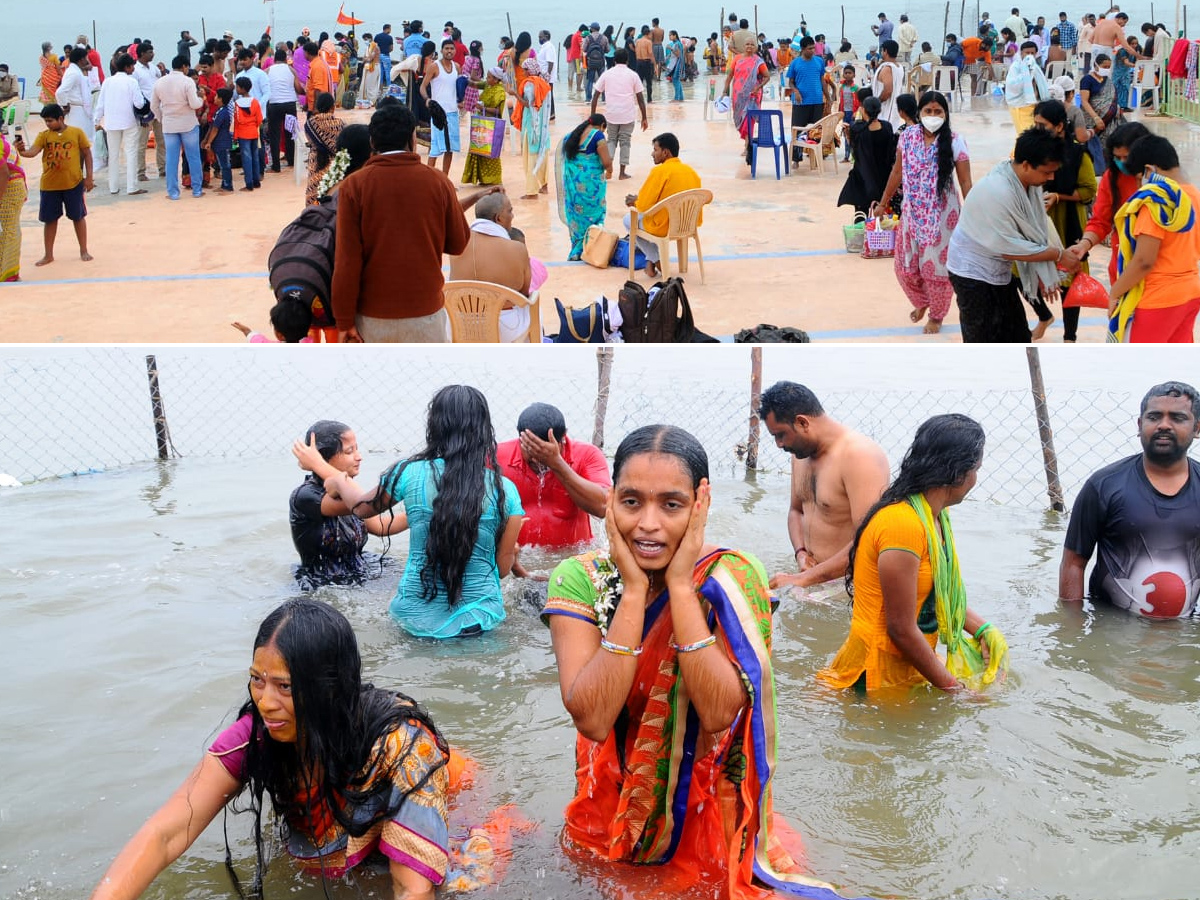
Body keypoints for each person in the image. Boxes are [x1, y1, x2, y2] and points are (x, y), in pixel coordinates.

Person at [543, 424, 849, 899]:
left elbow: (719, 712)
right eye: (630, 502)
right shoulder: (579, 577)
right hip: (607, 801)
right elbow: (594, 718)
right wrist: (634, 592)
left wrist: (682, 588)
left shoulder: (732, 577)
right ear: (609, 502)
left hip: (706, 803)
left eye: (671, 504)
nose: (648, 524)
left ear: (700, 504)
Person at [88, 598, 495, 900]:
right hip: (350, 824)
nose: (265, 701)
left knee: (463, 884)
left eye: (285, 686)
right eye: (257, 680)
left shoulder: (400, 747)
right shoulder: (258, 735)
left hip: (460, 803)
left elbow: (412, 890)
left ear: (329, 688)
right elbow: (166, 832)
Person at [304, 385, 524, 638]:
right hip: (479, 620)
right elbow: (503, 569)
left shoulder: (410, 473)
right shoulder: (505, 490)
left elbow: (362, 509)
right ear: (484, 431)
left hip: (413, 618)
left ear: (436, 426)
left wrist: (339, 481)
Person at [818, 414, 1009, 694]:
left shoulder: (936, 518)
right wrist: (955, 691)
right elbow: (901, 629)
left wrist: (983, 630)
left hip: (909, 669)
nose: (975, 479)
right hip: (871, 676)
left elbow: (937, 593)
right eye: (976, 469)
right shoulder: (902, 525)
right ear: (958, 473)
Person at [333, 104, 491, 343]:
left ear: (372, 143)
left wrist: (344, 321)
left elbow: (346, 261)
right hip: (426, 313)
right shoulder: (438, 182)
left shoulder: (354, 187)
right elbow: (458, 244)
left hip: (373, 317)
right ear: (412, 139)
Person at [1060, 382, 1200, 619]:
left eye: (1177, 418)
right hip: (1110, 627)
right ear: (1139, 424)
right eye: (1154, 417)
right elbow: (1073, 563)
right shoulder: (1103, 485)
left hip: (1183, 629)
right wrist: (1073, 634)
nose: (1164, 425)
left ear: (1197, 428)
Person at [946, 127, 1078, 343]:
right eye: (1047, 172)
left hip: (998, 268)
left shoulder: (1028, 182)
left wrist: (1044, 266)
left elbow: (1035, 228)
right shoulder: (998, 190)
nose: (1051, 177)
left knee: (1017, 335)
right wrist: (1057, 255)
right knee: (982, 339)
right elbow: (1007, 247)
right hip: (971, 271)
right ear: (1026, 164)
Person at [757, 382, 890, 596]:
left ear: (802, 422)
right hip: (810, 575)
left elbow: (869, 540)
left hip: (846, 585)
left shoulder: (860, 457)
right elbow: (796, 511)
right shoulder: (799, 455)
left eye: (780, 435)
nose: (778, 445)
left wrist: (802, 580)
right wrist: (801, 555)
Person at [877, 90, 972, 334]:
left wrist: (974, 217)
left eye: (937, 111)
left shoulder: (955, 141)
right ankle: (921, 301)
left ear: (945, 114)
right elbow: (897, 172)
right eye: (927, 111)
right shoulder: (907, 137)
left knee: (936, 270)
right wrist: (883, 202)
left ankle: (936, 316)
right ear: (919, 113)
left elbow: (965, 183)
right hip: (912, 212)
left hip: (943, 217)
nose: (932, 116)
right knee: (905, 266)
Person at [288, 421, 409, 586]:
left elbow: (380, 526)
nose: (359, 456)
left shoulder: (350, 494)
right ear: (323, 458)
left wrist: (424, 512)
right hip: (323, 581)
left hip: (359, 568)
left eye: (357, 449)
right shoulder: (306, 497)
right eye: (349, 451)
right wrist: (318, 465)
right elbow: (362, 503)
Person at [1106, 135, 1200, 343]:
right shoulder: (1194, 195)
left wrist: (1115, 293)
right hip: (1190, 293)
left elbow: (1144, 260)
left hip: (1157, 299)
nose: (1140, 185)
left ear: (1150, 170)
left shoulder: (1156, 201)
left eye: (1139, 178)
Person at [1032, 100, 1096, 344]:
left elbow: (1089, 190)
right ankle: (1044, 316)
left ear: (1059, 126)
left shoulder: (1078, 155)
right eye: (1035, 124)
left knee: (1070, 279)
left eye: (1043, 125)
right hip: (1037, 221)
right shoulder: (1032, 150)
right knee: (1021, 272)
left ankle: (1070, 336)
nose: (1038, 129)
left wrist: (1059, 196)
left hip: (1066, 220)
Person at [1064, 121, 1151, 290]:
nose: (1122, 162)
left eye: (1127, 157)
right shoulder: (1112, 178)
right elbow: (1100, 221)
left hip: (1157, 272)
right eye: (1117, 158)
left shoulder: (1163, 180)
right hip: (1123, 267)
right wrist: (1084, 244)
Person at [447, 192, 539, 343]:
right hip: (504, 330)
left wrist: (476, 195)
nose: (513, 215)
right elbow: (524, 294)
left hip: (459, 325)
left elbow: (449, 214)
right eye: (510, 210)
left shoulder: (458, 243)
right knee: (534, 302)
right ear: (498, 218)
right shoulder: (517, 249)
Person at [12, 104, 93, 267]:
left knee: (78, 217)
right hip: (49, 186)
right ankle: (48, 255)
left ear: (61, 119)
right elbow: (32, 152)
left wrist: (89, 178)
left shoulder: (76, 133)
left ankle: (83, 250)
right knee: (50, 220)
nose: (48, 124)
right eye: (46, 121)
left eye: (50, 121)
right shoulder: (44, 136)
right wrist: (21, 151)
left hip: (73, 183)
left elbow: (87, 154)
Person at [623, 132, 702, 279]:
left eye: (655, 150)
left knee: (629, 220)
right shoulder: (691, 172)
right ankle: (651, 262)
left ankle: (657, 261)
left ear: (665, 152)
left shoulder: (660, 171)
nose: (652, 154)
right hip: (687, 225)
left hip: (664, 226)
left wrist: (635, 201)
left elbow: (644, 206)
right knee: (640, 218)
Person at [556, 113, 613, 260]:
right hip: (591, 188)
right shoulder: (598, 136)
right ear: (602, 126)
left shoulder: (571, 135)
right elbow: (606, 162)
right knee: (594, 215)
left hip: (573, 189)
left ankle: (576, 251)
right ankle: (591, 250)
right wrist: (610, 171)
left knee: (577, 218)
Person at [151, 55, 204, 200]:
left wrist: (162, 118)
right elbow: (194, 104)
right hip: (188, 123)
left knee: (171, 159)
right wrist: (201, 99)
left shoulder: (160, 82)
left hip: (169, 124)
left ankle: (173, 192)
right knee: (193, 157)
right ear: (185, 67)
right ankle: (197, 190)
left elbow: (154, 106)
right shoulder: (187, 81)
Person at [590, 48, 648, 181]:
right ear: (627, 60)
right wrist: (644, 117)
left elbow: (595, 96)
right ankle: (622, 173)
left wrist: (592, 118)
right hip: (627, 114)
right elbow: (640, 98)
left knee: (611, 140)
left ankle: (608, 169)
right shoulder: (633, 75)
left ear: (614, 60)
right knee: (625, 142)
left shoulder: (607, 74)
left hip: (611, 114)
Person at [93, 53, 145, 197]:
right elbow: (139, 103)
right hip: (129, 121)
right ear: (128, 67)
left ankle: (113, 187)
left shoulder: (108, 82)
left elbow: (100, 104)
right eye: (132, 66)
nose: (133, 68)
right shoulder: (132, 82)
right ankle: (132, 186)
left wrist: (96, 120)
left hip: (111, 122)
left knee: (113, 155)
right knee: (131, 153)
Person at [837, 95, 895, 216]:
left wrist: (848, 135)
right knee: (882, 216)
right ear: (879, 110)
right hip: (883, 177)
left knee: (860, 214)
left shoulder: (857, 128)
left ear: (863, 110)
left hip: (862, 177)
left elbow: (855, 151)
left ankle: (861, 234)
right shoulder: (887, 127)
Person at [507, 58, 552, 200]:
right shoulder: (544, 82)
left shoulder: (530, 84)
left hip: (532, 126)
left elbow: (529, 104)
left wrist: (514, 94)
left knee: (530, 158)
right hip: (543, 127)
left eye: (524, 69)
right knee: (542, 154)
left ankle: (531, 192)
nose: (523, 72)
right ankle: (544, 185)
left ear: (528, 70)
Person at [723, 37, 770, 163]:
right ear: (744, 46)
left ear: (755, 47)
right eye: (747, 44)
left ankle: (747, 147)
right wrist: (724, 91)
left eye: (752, 44)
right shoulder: (737, 58)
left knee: (749, 121)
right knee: (740, 120)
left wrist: (758, 87)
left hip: (752, 96)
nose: (749, 46)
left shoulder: (758, 61)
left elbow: (767, 76)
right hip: (738, 95)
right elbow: (729, 76)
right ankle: (747, 142)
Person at [462, 67, 506, 186]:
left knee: (490, 151)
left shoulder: (499, 91)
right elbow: (474, 84)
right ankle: (481, 177)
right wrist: (462, 78)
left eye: (489, 77)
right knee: (478, 149)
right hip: (481, 122)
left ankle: (492, 179)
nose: (487, 79)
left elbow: (498, 110)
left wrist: (483, 108)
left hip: (491, 124)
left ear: (496, 79)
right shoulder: (487, 85)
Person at [133, 43, 166, 181]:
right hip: (145, 110)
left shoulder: (153, 68)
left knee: (161, 140)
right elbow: (134, 92)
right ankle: (140, 172)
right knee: (141, 143)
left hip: (158, 108)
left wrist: (163, 72)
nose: (152, 54)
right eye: (149, 52)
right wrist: (140, 114)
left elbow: (161, 82)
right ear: (141, 54)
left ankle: (163, 169)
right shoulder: (135, 70)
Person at [304, 92, 343, 206]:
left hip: (315, 163)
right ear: (333, 107)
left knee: (313, 194)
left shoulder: (310, 124)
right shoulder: (340, 124)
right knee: (332, 197)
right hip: (334, 165)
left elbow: (310, 142)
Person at [1079, 53, 1124, 151]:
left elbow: (1111, 99)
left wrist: (1117, 109)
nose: (1107, 69)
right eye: (1105, 67)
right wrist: (1096, 118)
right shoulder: (1087, 80)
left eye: (1109, 67)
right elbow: (1084, 101)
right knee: (1092, 147)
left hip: (1110, 121)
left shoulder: (1107, 80)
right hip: (1092, 120)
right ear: (1096, 65)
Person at [265, 48, 300, 171]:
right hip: (289, 104)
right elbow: (298, 88)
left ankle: (276, 165)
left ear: (274, 60)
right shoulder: (291, 70)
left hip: (274, 104)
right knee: (290, 133)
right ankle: (291, 161)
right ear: (286, 59)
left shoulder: (268, 70)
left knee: (274, 135)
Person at [1004, 40, 1049, 134]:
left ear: (1036, 54)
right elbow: (1012, 85)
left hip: (1035, 106)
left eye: (1032, 53)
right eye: (1027, 53)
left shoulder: (1035, 68)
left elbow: (1041, 85)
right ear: (1021, 53)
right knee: (1025, 135)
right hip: (1020, 106)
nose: (1030, 56)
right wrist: (1026, 73)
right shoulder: (1016, 67)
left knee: (1034, 136)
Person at [0, 131, 27, 281]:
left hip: (8, 188)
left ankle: (6, 275)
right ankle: (9, 273)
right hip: (13, 187)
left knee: (6, 233)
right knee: (10, 231)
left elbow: (3, 173)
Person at [786, 36, 826, 134]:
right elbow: (790, 82)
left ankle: (813, 149)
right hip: (801, 102)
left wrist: (828, 98)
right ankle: (797, 149)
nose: (812, 51)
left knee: (815, 133)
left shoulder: (819, 61)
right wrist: (796, 91)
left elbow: (822, 80)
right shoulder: (795, 63)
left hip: (817, 101)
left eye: (813, 48)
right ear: (803, 49)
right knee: (799, 132)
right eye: (810, 48)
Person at [56, 47, 95, 145]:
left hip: (80, 109)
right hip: (77, 111)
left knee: (84, 141)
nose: (87, 60)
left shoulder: (76, 71)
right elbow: (60, 92)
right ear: (81, 59)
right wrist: (64, 105)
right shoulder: (74, 73)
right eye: (86, 58)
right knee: (80, 141)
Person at [233, 76, 264, 191]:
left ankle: (249, 183)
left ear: (242, 88)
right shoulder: (255, 102)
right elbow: (259, 119)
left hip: (242, 133)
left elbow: (237, 121)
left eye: (237, 87)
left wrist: (235, 136)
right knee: (255, 157)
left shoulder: (237, 103)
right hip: (253, 133)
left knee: (246, 159)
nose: (236, 89)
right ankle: (256, 181)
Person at [871, 40, 903, 127]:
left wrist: (877, 102)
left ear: (885, 51)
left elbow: (888, 90)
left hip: (885, 110)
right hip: (894, 107)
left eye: (882, 50)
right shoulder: (899, 66)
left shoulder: (887, 69)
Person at [582, 22, 609, 102]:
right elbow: (608, 50)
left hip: (591, 62)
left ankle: (588, 98)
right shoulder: (604, 38)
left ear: (592, 29)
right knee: (602, 80)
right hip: (601, 62)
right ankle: (604, 98)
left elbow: (584, 49)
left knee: (590, 80)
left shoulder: (588, 38)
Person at [38, 41, 62, 105]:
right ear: (48, 48)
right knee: (54, 91)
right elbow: (58, 68)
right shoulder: (54, 56)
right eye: (50, 45)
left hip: (45, 77)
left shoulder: (41, 58)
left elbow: (44, 68)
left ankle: (46, 106)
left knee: (45, 93)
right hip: (53, 77)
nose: (52, 46)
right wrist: (62, 76)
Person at [665, 30, 685, 102]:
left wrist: (670, 48)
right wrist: (666, 58)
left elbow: (678, 54)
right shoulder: (675, 43)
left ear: (674, 35)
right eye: (669, 35)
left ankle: (677, 98)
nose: (669, 37)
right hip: (674, 63)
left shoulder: (677, 44)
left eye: (670, 35)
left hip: (677, 64)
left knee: (675, 80)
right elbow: (673, 54)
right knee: (676, 80)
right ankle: (681, 97)